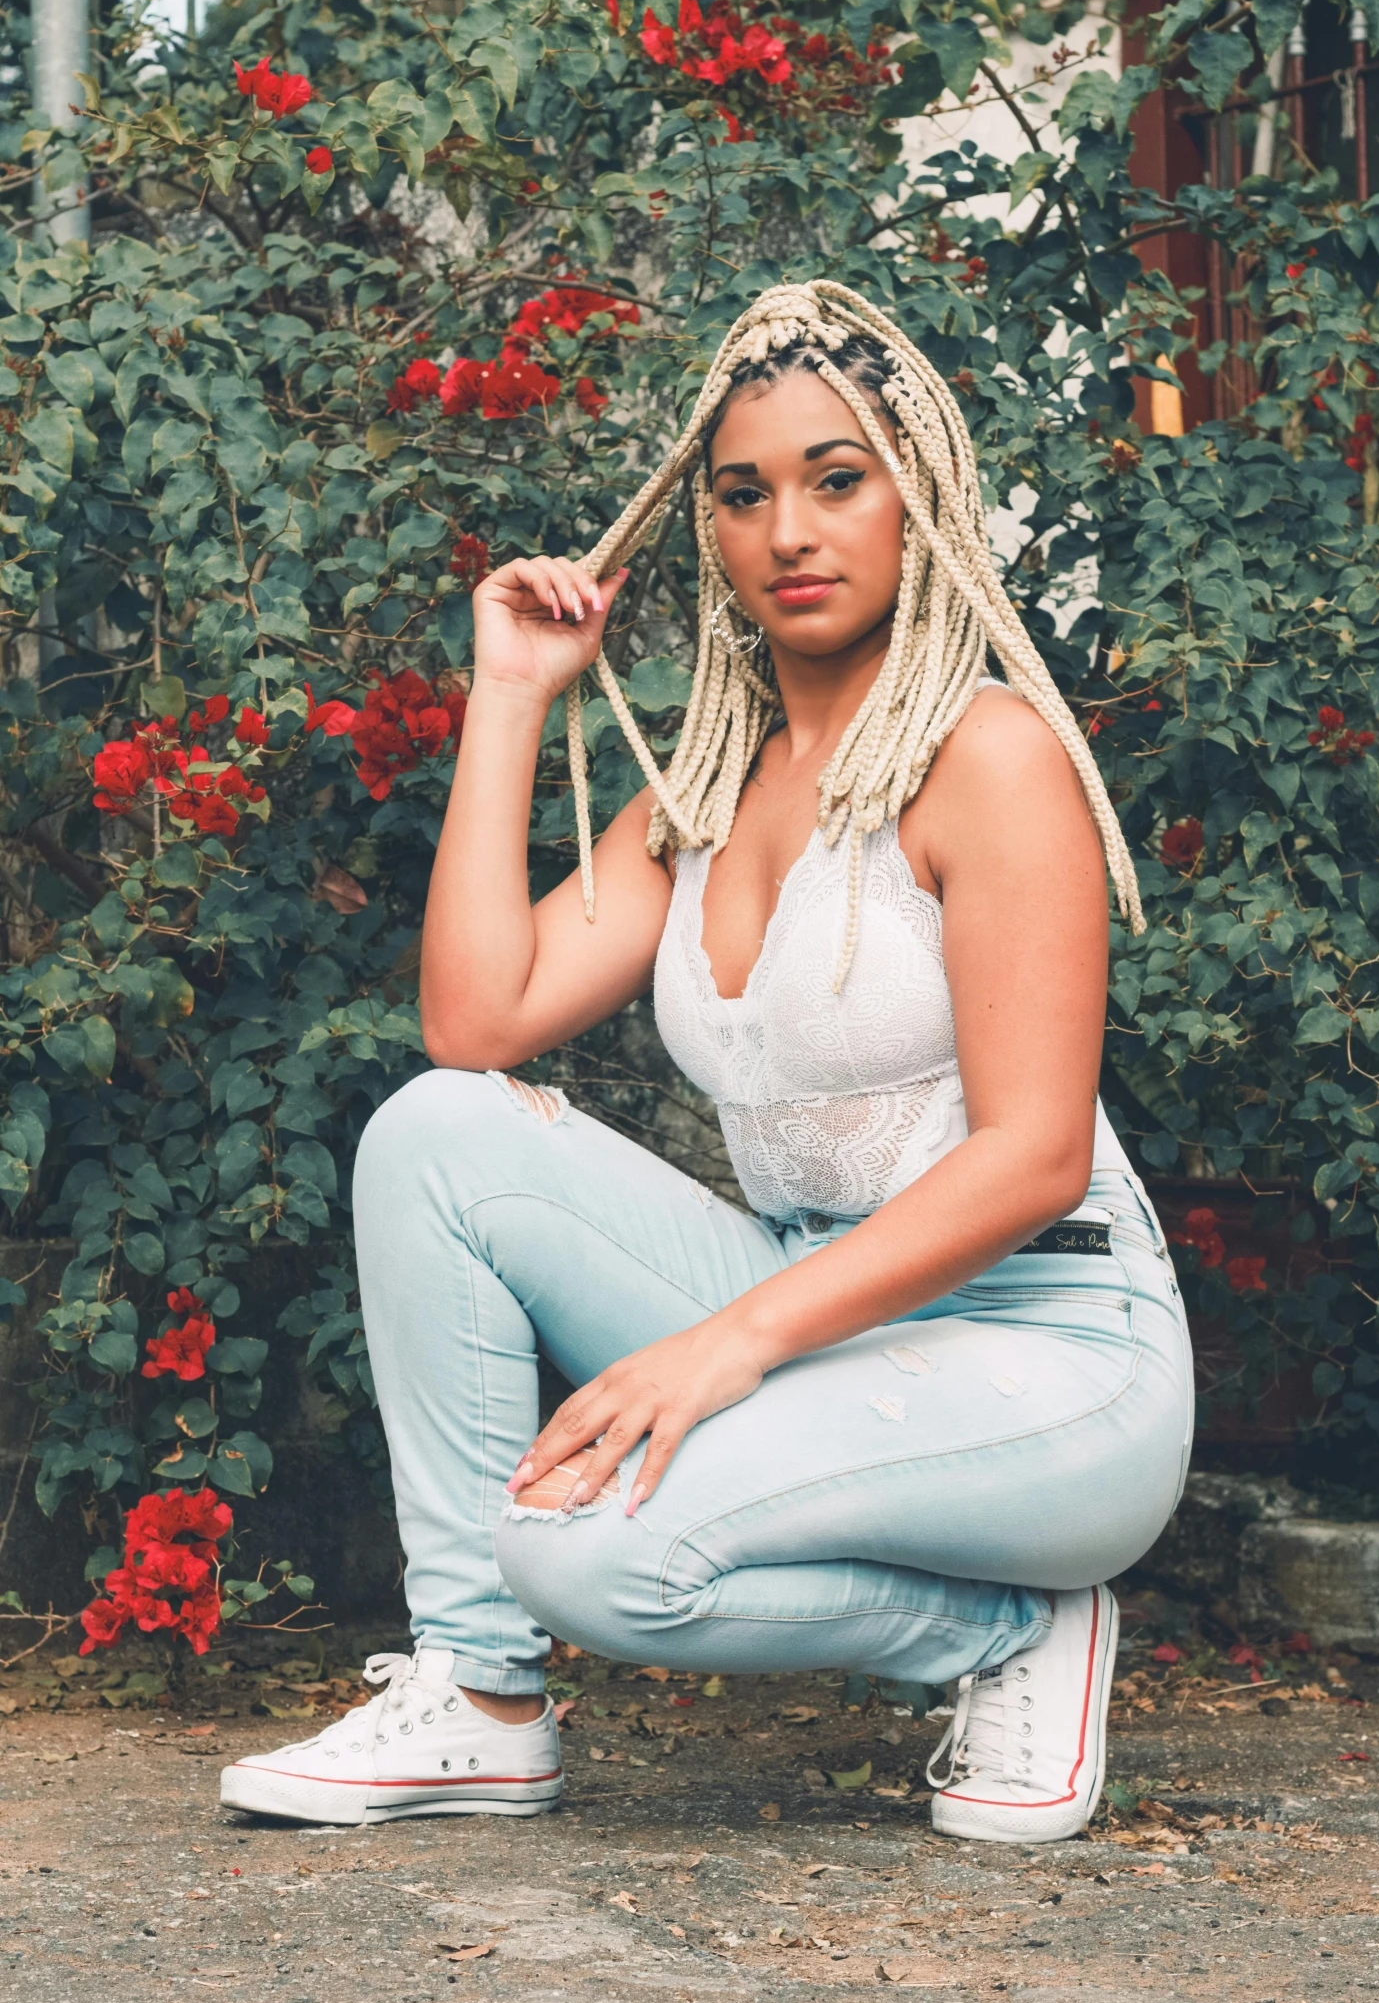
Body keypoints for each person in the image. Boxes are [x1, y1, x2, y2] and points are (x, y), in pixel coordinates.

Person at [220, 280, 1193, 1842]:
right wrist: (513, 697)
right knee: (435, 1132)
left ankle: (1019, 1631)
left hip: (1056, 1355)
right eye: (744, 494)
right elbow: (477, 1022)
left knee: (585, 1550)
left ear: (915, 497)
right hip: (814, 1305)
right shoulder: (709, 787)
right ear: (708, 532)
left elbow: (1034, 1158)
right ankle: (478, 1696)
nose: (789, 530)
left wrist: (723, 1347)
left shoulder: (987, 756)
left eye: (837, 477)